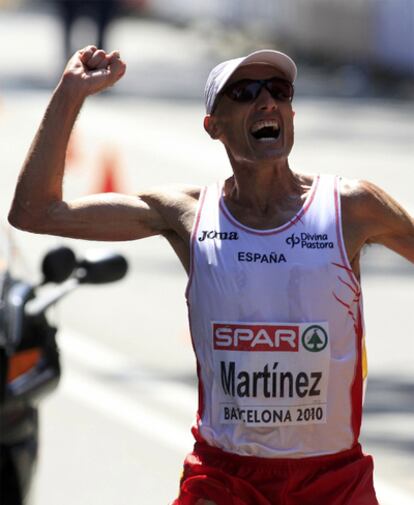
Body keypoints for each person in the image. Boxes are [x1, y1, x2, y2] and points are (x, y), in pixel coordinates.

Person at [8, 46, 414, 505]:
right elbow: (35, 212)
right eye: (245, 93)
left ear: (291, 113)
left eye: (278, 91)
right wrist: (70, 94)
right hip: (225, 480)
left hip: (332, 482)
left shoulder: (350, 207)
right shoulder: (187, 215)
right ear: (213, 126)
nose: (267, 103)